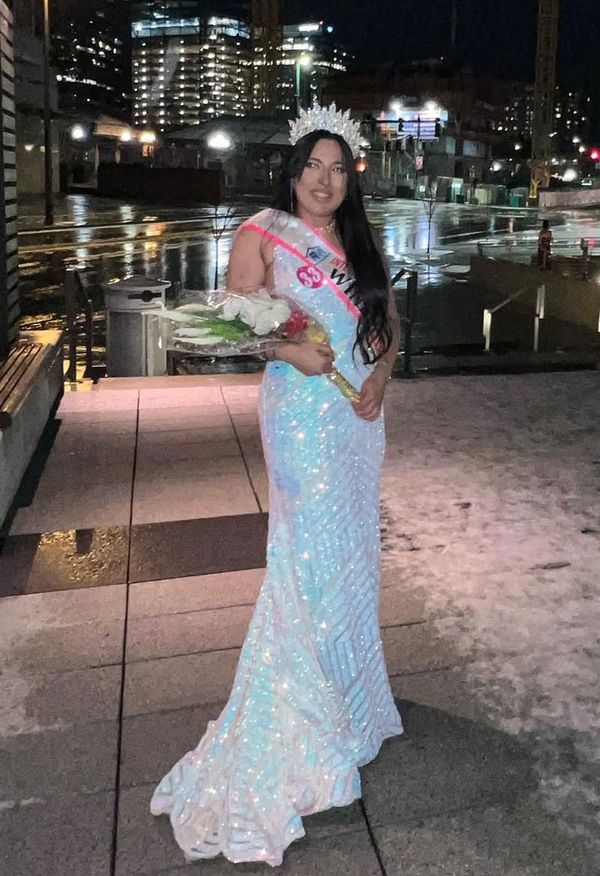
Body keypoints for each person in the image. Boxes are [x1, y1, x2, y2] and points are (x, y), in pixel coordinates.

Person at [150, 103, 403, 867]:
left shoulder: (358, 240)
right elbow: (236, 325)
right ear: (292, 172)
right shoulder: (260, 233)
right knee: (308, 552)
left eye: (337, 168)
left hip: (358, 412)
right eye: (312, 166)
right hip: (300, 412)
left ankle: (350, 701)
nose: (324, 180)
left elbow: (386, 316)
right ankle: (302, 706)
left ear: (348, 178)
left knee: (354, 552)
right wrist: (288, 354)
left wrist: (383, 376)